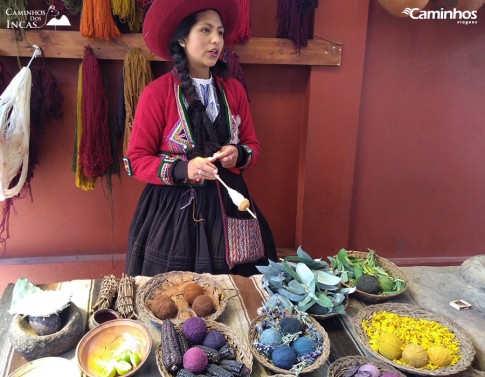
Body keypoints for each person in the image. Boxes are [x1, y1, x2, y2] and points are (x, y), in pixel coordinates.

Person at [123, 0, 278, 277]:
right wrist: (185, 168)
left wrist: (237, 154)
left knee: (236, 295)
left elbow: (253, 147)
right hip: (173, 211)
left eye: (219, 32)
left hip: (231, 205)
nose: (216, 40)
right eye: (205, 31)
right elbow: (135, 160)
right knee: (174, 296)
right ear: (182, 38)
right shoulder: (157, 94)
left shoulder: (234, 91)